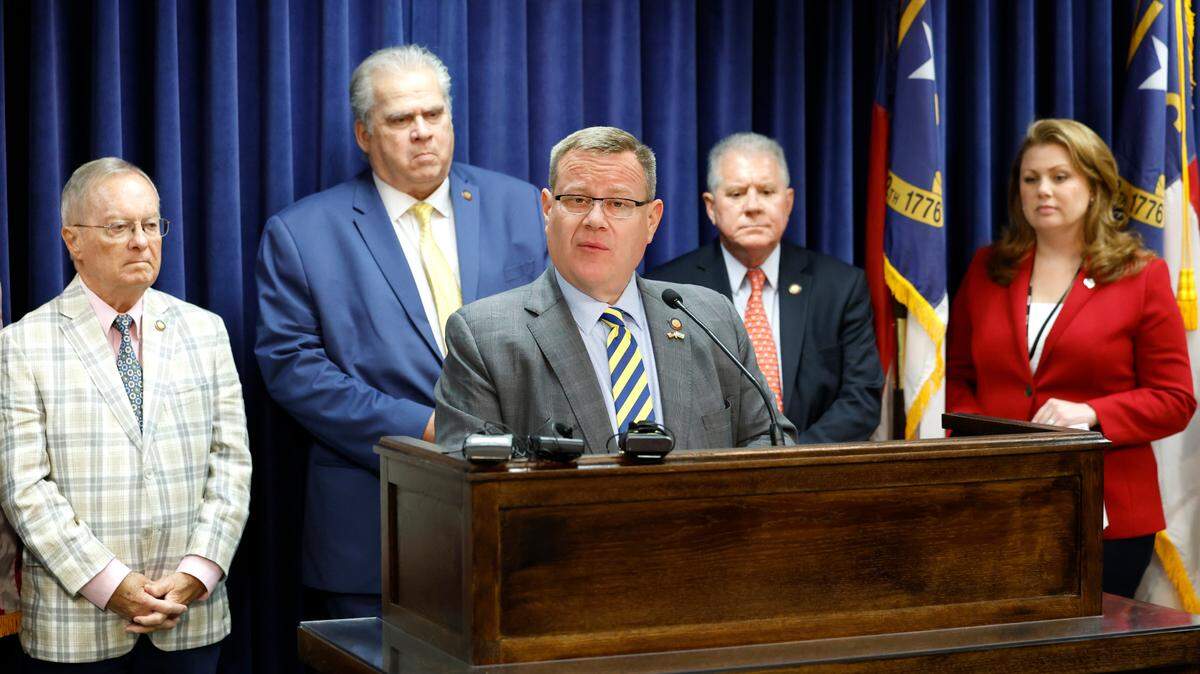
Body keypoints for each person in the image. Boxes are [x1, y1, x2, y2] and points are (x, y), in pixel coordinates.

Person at [255, 45, 546, 619]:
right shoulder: (302, 233)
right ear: (364, 134)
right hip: (373, 529)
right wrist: (425, 427)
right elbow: (293, 368)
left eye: (434, 115)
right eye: (400, 120)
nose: (422, 133)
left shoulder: (523, 207)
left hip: (519, 517)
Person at [0, 158, 252, 670]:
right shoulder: (22, 344)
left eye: (151, 224)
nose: (142, 241)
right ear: (73, 240)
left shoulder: (205, 332)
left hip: (190, 617)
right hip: (77, 628)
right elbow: (24, 488)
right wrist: (112, 585)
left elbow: (231, 465)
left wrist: (198, 571)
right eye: (119, 227)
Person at [947, 118, 1195, 598]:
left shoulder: (1140, 275)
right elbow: (958, 379)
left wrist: (1092, 412)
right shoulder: (986, 268)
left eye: (1061, 177)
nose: (1044, 190)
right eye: (1031, 178)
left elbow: (1175, 399)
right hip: (998, 504)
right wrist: (988, 441)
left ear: (1095, 185)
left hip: (1107, 514)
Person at [435, 126, 794, 450]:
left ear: (651, 221)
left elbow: (770, 438)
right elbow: (471, 485)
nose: (595, 220)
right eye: (577, 200)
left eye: (618, 204)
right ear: (547, 210)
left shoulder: (710, 317)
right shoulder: (484, 337)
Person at [649, 133, 882, 443]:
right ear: (711, 207)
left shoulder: (840, 287)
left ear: (788, 202)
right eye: (736, 193)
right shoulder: (670, 289)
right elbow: (668, 401)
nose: (753, 206)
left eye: (766, 191)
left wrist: (791, 460)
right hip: (711, 476)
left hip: (814, 473)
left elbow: (861, 400)